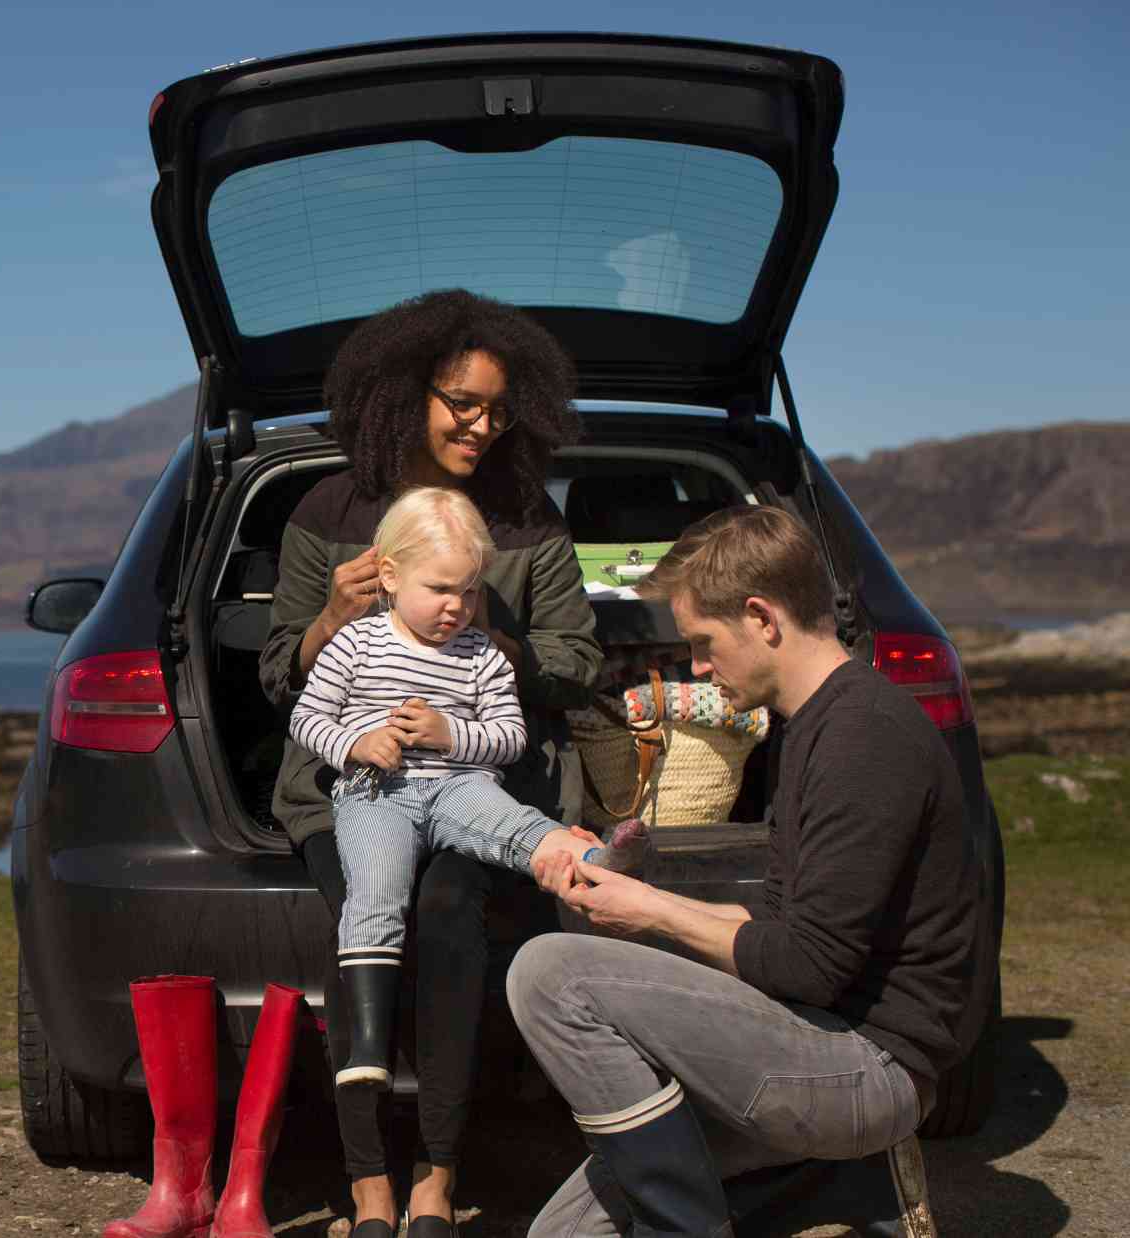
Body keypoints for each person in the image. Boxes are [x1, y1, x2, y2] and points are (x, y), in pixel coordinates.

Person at [509, 504, 984, 1238]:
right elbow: (781, 931)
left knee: (549, 974)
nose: (696, 666)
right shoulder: (812, 727)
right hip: (815, 1035)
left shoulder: (864, 736)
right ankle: (842, 1180)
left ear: (762, 617)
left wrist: (651, 913)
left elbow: (809, 966)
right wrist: (632, 894)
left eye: (703, 642)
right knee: (562, 1235)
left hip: (869, 1066)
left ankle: (712, 1218)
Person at [259, 289, 602, 1237]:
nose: (483, 425)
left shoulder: (526, 521)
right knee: (364, 917)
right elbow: (278, 675)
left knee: (452, 912)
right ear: (404, 392)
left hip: (474, 785)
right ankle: (369, 1188)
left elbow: (579, 664)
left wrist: (499, 635)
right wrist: (331, 615)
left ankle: (435, 1186)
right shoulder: (328, 511)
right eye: (462, 402)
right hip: (344, 790)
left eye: (498, 407)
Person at [289, 486, 646, 1093]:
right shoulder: (354, 643)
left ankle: (595, 857)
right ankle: (369, 1046)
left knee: (514, 826)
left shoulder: (482, 654)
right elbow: (306, 718)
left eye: (470, 591)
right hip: (377, 793)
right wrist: (355, 745)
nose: (456, 607)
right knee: (376, 892)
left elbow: (509, 738)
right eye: (440, 589)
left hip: (459, 786)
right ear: (392, 577)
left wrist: (448, 734)